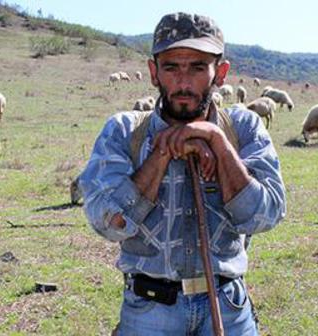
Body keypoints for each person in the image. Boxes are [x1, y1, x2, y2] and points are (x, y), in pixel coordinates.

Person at [79, 12, 286, 335]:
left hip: (227, 308)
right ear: (153, 72)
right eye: (171, 67)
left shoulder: (243, 129)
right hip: (149, 313)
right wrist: (162, 153)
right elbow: (109, 223)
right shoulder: (124, 131)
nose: (184, 83)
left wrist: (217, 143)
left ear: (221, 73)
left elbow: (266, 215)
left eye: (198, 67)